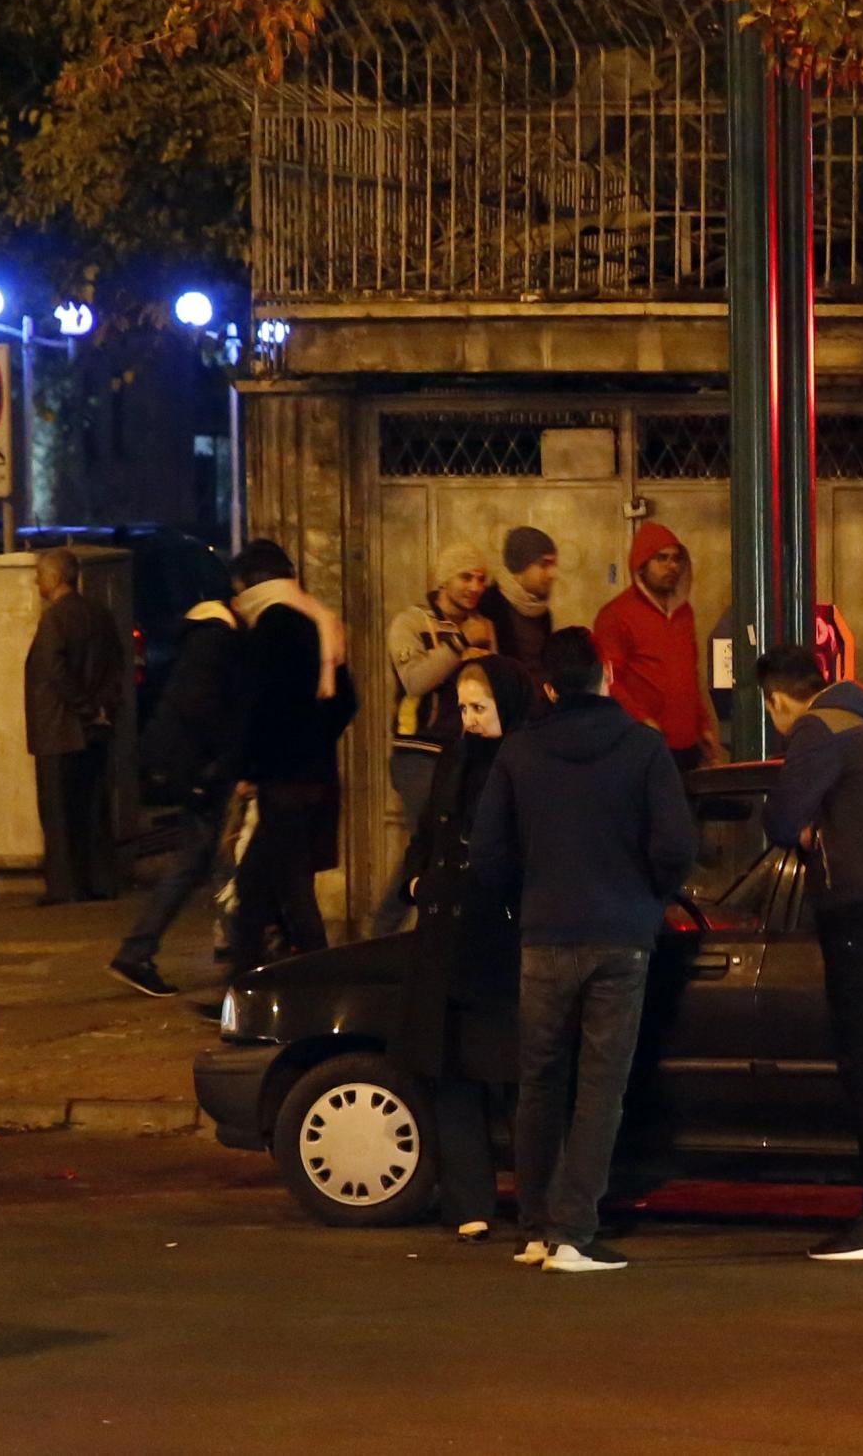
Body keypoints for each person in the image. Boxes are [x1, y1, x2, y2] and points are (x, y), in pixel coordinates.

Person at [473, 626, 695, 1274]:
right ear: (607, 675)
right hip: (620, 935)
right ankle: (574, 1230)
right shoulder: (644, 749)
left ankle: (537, 1226)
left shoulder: (519, 753)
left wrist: (528, 896)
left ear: (547, 685)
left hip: (543, 935)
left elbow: (488, 853)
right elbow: (676, 846)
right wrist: (646, 897)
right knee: (601, 1085)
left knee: (539, 1079)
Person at [758, 644, 863, 1263]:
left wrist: (803, 828)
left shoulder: (815, 727)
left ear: (776, 698)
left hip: (856, 907)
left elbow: (780, 818)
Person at [392, 655, 541, 1242]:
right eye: (464, 708)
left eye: (481, 708)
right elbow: (428, 831)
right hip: (445, 934)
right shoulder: (457, 757)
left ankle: (533, 1200)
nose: (470, 719)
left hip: (497, 934)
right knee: (448, 1065)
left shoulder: (525, 762)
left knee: (509, 1070)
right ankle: (468, 1199)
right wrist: (415, 879)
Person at [230, 541, 358, 978]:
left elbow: (254, 707)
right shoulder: (319, 624)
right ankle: (244, 981)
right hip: (316, 775)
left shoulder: (268, 629)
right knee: (254, 884)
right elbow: (347, 702)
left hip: (281, 778)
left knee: (291, 887)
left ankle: (322, 979)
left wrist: (247, 767)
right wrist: (315, 737)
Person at [108, 596, 246, 995]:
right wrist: (224, 759)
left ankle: (140, 952)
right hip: (199, 770)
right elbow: (202, 707)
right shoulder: (216, 640)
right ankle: (140, 952)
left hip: (191, 767)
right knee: (209, 858)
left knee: (205, 858)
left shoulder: (205, 636)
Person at [377, 543, 495, 937]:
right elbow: (415, 679)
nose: (475, 586)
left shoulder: (482, 624)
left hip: (463, 753)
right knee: (432, 845)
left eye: (481, 578)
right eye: (466, 577)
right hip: (419, 753)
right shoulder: (411, 623)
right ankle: (391, 930)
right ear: (445, 579)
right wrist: (460, 644)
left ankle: (420, 930)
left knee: (441, 846)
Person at [26, 548, 125, 907]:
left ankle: (65, 887)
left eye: (39, 574)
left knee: (58, 811)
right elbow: (117, 664)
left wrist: (83, 706)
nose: (37, 581)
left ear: (53, 578)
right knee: (92, 808)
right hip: (96, 727)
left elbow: (54, 671)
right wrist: (102, 707)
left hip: (60, 728)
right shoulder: (99, 613)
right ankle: (100, 880)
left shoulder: (55, 620)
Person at [594, 522, 722, 771]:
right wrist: (641, 720)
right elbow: (609, 680)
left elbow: (689, 675)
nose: (671, 566)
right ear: (642, 563)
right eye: (661, 558)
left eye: (676, 559)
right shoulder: (616, 615)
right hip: (641, 743)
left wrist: (702, 725)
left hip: (685, 745)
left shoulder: (685, 613)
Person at [482, 526, 558, 675]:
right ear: (520, 567)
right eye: (544, 565)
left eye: (553, 565)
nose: (552, 574)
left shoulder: (542, 612)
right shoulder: (488, 605)